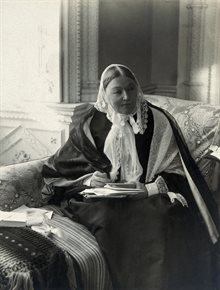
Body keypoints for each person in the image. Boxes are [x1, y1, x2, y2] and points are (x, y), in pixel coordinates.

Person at [42, 64, 219, 290]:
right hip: (102, 200)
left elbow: (178, 169)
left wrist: (150, 189)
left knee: (163, 218)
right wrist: (88, 180)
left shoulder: (158, 121)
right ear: (104, 94)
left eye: (131, 89)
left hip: (149, 195)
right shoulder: (89, 124)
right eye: (117, 91)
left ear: (138, 90)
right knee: (108, 219)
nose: (126, 97)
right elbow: (60, 168)